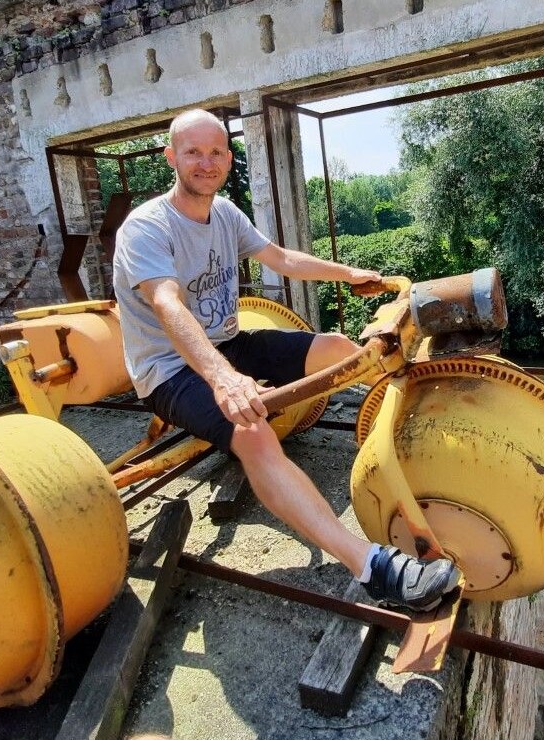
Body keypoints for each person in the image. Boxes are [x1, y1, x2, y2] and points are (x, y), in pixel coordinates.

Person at [112, 109, 461, 612]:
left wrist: (349, 273)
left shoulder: (225, 213)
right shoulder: (145, 228)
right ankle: (372, 568)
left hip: (229, 343)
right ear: (171, 157)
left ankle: (421, 441)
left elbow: (280, 258)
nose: (205, 163)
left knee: (344, 350)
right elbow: (167, 304)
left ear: (228, 159)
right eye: (193, 152)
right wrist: (225, 380)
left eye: (215, 153)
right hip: (169, 370)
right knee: (254, 433)